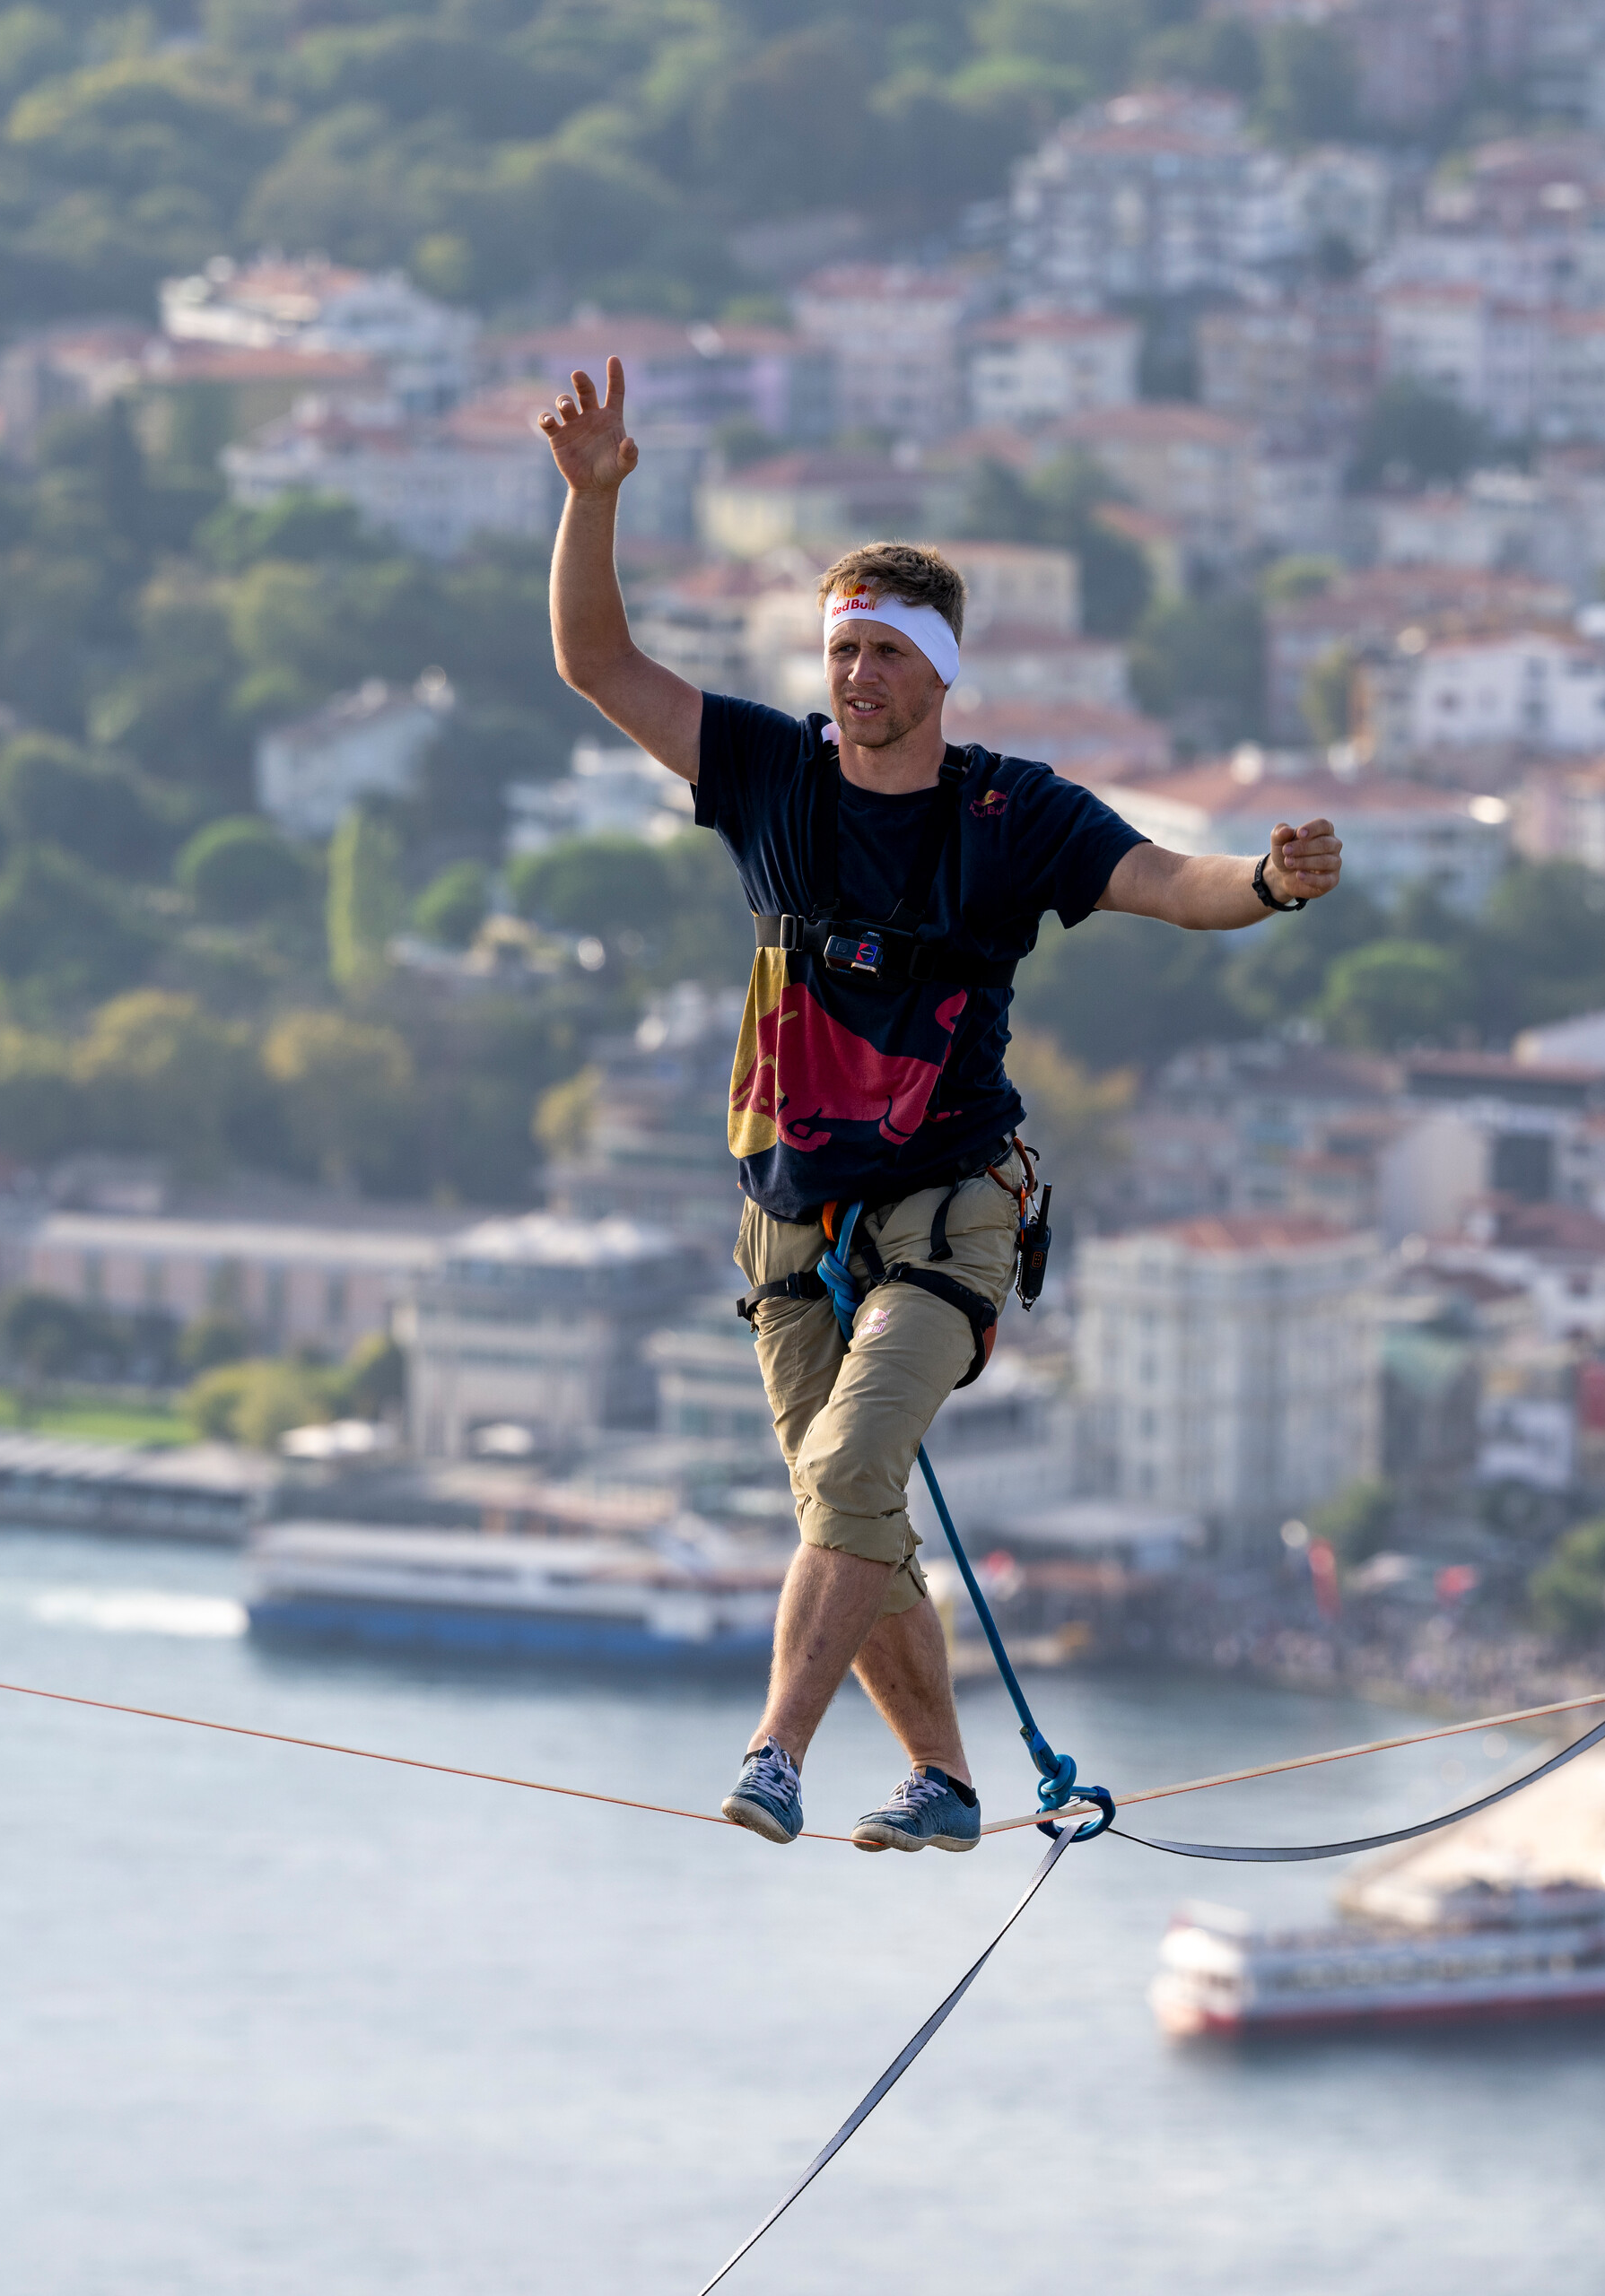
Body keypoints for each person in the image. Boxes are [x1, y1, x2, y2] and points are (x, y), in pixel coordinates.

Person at [539, 358, 1343, 1854]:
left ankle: (775, 1753)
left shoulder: (1010, 815)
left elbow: (1170, 884)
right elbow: (598, 660)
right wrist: (594, 504)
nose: (855, 677)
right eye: (841, 649)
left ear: (939, 673)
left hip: (948, 1210)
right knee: (849, 1522)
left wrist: (1270, 884)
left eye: (885, 654)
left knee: (850, 1474)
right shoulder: (769, 776)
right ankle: (948, 1783)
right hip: (786, 1220)